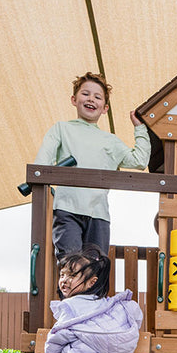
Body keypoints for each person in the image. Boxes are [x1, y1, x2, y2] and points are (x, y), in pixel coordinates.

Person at [35, 72, 150, 259]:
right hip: (67, 209)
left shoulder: (110, 141)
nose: (91, 99)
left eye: (97, 97)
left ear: (104, 108)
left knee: (96, 268)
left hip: (98, 214)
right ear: (74, 99)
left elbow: (139, 160)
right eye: (85, 94)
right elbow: (41, 164)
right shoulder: (62, 129)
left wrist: (139, 128)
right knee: (72, 263)